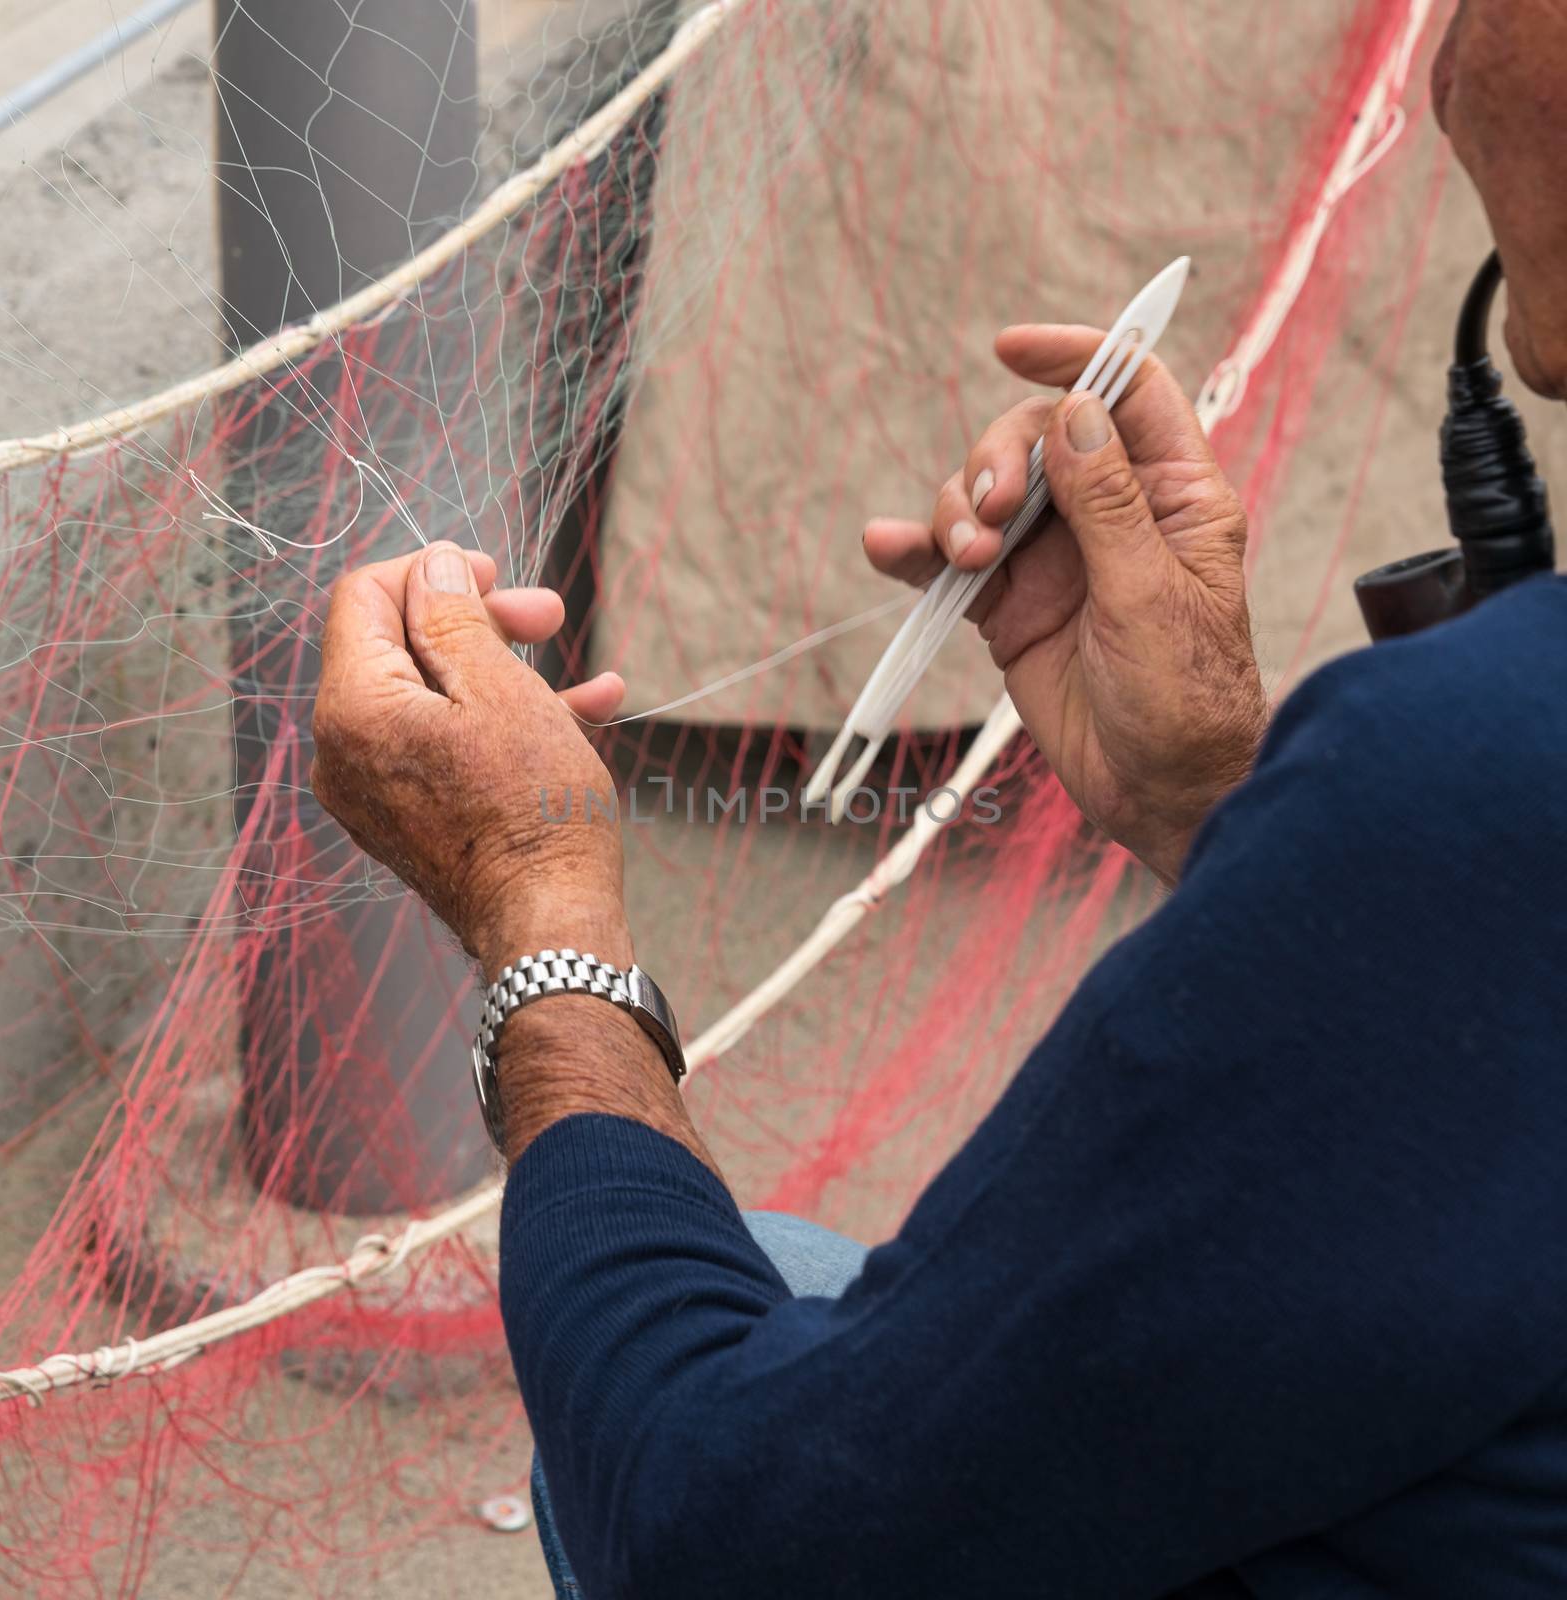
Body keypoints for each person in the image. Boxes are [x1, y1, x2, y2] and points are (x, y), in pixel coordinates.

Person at [309, 2, 1567, 1593]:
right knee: (762, 1271)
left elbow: (726, 1530)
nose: (1437, 58)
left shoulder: (1483, 784)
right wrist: (1225, 808)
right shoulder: (1477, 805)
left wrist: (537, 911)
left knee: (626, 1360)